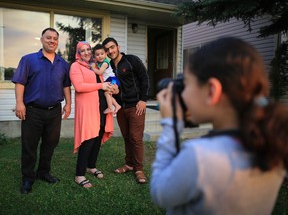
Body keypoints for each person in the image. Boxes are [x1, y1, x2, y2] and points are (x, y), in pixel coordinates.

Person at [150, 37, 288, 214]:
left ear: (212, 91)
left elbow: (160, 193)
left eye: (187, 85)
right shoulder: (274, 141)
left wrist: (171, 125)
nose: (182, 94)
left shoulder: (200, 156)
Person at [12, 28, 72, 194]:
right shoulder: (29, 60)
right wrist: (19, 103)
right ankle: (28, 178)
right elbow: (20, 83)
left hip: (54, 112)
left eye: (55, 38)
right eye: (48, 38)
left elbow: (66, 85)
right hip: (33, 111)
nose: (52, 41)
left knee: (50, 144)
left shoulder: (63, 64)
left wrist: (68, 104)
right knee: (29, 145)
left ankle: (44, 172)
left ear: (57, 42)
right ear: (42, 39)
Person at [102, 37, 149, 184]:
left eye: (112, 47)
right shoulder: (109, 66)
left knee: (136, 137)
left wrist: (143, 99)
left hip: (136, 106)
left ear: (118, 46)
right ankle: (129, 164)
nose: (110, 51)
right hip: (121, 107)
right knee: (127, 136)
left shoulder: (131, 60)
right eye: (107, 49)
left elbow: (144, 78)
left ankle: (139, 169)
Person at [70, 41, 116, 188]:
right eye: (82, 50)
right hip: (88, 108)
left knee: (97, 138)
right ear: (78, 53)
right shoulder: (75, 66)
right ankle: (79, 174)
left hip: (101, 108)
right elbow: (79, 86)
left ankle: (91, 166)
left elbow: (105, 83)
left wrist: (112, 88)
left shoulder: (95, 66)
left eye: (88, 50)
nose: (86, 53)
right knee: (88, 139)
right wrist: (100, 85)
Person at [91, 44, 121, 114]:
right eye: (97, 55)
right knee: (107, 94)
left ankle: (110, 108)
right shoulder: (99, 62)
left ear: (106, 53)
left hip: (113, 79)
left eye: (102, 54)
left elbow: (100, 72)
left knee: (107, 93)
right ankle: (117, 105)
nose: (100, 56)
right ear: (94, 56)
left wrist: (93, 68)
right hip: (111, 79)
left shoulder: (105, 63)